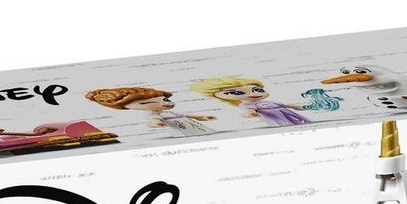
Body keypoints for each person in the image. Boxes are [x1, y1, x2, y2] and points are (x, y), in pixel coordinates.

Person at [85, 86, 216, 134]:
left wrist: (201, 117)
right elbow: (151, 121)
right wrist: (157, 123)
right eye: (147, 102)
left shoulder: (168, 112)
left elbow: (185, 115)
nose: (165, 103)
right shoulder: (151, 114)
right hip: (183, 131)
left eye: (165, 99)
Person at [189, 77, 311, 126]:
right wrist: (250, 114)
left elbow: (287, 105)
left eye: (257, 90)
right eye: (237, 93)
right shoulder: (246, 104)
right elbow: (247, 111)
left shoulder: (271, 101)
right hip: (275, 116)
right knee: (284, 124)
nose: (253, 94)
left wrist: (300, 107)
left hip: (287, 112)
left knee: (301, 121)